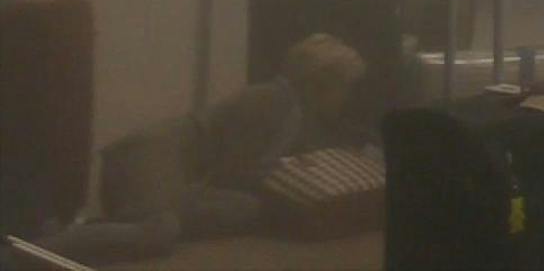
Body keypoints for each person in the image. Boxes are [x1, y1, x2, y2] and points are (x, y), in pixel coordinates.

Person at [41, 34, 369, 261]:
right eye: (345, 87)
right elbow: (234, 172)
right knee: (157, 231)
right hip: (154, 157)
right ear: (322, 82)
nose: (346, 98)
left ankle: (88, 233)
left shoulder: (292, 110)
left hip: (175, 167)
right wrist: (288, 172)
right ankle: (27, 253)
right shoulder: (271, 100)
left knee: (244, 210)